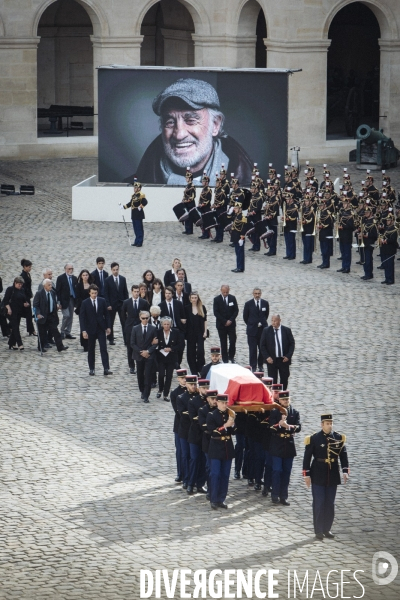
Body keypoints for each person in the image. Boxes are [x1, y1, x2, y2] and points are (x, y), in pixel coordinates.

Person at [127, 78, 253, 186]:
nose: (179, 134)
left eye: (191, 120)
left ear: (215, 125)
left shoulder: (254, 187)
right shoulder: (128, 189)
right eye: (170, 122)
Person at [303, 413, 349, 540]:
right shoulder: (314, 438)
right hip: (318, 473)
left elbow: (343, 455)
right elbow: (307, 458)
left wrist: (345, 470)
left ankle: (327, 529)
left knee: (330, 503)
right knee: (319, 502)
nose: (330, 426)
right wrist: (306, 475)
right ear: (321, 424)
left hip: (332, 474)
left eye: (331, 423)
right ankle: (318, 530)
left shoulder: (338, 437)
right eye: (327, 424)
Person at [269, 390, 301, 505]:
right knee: (277, 470)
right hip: (277, 444)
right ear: (279, 400)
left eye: (287, 399)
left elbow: (298, 427)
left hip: (289, 445)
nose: (285, 401)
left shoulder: (294, 412)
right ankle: (275, 494)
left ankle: (283, 496)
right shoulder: (274, 412)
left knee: (286, 472)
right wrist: (279, 424)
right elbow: (271, 427)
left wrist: (288, 426)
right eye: (283, 399)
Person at [206, 394, 236, 509]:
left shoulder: (229, 414)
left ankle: (221, 499)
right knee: (215, 474)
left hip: (227, 447)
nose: (224, 405)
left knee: (225, 475)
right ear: (217, 402)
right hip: (216, 447)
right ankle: (214, 499)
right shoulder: (211, 415)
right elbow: (212, 432)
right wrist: (225, 426)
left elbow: (234, 431)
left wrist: (232, 424)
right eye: (222, 403)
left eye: (226, 403)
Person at [79, 284, 112, 376]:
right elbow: (82, 318)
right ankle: (92, 369)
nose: (94, 295)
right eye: (92, 293)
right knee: (91, 349)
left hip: (101, 328)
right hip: (90, 329)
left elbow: (107, 315)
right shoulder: (85, 303)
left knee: (103, 349)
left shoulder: (102, 301)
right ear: (89, 293)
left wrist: (108, 327)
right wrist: (84, 330)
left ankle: (106, 368)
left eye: (96, 293)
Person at [33, 279, 69, 353]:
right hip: (42, 316)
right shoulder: (39, 294)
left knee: (55, 332)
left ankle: (60, 346)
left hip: (51, 315)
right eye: (49, 285)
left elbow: (53, 302)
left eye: (51, 284)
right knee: (42, 333)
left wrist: (56, 307)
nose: (51, 286)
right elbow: (36, 305)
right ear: (44, 286)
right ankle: (41, 347)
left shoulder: (52, 292)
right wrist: (38, 314)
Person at [260, 314, 295, 390]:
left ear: (279, 320)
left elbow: (292, 344)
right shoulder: (266, 331)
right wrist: (267, 357)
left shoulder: (286, 330)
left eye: (275, 321)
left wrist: (288, 356)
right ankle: (274, 396)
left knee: (284, 378)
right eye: (272, 321)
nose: (273, 322)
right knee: (273, 380)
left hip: (283, 360)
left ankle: (282, 394)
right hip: (272, 360)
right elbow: (262, 346)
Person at [187, 379, 209, 494]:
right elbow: (193, 418)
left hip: (205, 436)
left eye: (207, 388)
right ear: (199, 388)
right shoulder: (193, 401)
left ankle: (201, 484)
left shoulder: (211, 401)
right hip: (195, 435)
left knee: (204, 461)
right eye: (204, 388)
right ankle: (191, 483)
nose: (206, 390)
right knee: (195, 459)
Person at [130, 310, 158, 403]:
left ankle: (146, 395)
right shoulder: (135, 328)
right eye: (143, 318)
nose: (145, 320)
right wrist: (141, 352)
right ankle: (142, 390)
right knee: (140, 375)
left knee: (148, 375)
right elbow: (132, 343)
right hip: (139, 355)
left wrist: (148, 351)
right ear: (140, 318)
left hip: (149, 355)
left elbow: (155, 343)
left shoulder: (153, 328)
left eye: (147, 318)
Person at [177, 375, 199, 490]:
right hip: (185, 430)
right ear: (186, 385)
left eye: (195, 384)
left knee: (195, 457)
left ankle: (194, 480)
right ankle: (186, 479)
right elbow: (183, 414)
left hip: (195, 431)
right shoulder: (181, 397)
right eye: (191, 384)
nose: (194, 386)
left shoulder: (199, 397)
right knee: (185, 456)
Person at [122, 285, 150, 374]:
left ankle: (141, 363)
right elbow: (122, 315)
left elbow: (147, 314)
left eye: (138, 291)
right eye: (135, 291)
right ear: (132, 292)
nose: (136, 293)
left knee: (141, 345)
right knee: (130, 347)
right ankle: (131, 366)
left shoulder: (143, 302)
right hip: (129, 327)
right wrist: (126, 324)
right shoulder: (126, 302)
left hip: (140, 326)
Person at [198, 390, 218, 500]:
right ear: (208, 399)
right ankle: (210, 490)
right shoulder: (203, 410)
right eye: (213, 399)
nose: (215, 401)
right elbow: (203, 426)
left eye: (216, 399)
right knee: (210, 468)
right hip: (208, 441)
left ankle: (216, 490)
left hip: (219, 443)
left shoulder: (220, 410)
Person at [243, 288, 269, 371]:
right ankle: (253, 366)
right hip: (252, 330)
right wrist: (251, 323)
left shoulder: (265, 303)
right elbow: (245, 317)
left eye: (258, 293)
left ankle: (260, 365)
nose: (257, 295)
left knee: (262, 349)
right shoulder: (248, 304)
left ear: (261, 294)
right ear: (253, 294)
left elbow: (266, 314)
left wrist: (262, 322)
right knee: (253, 350)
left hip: (262, 330)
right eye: (255, 293)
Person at [156, 316, 181, 401]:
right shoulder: (158, 332)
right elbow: (155, 343)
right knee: (161, 374)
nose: (166, 326)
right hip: (161, 357)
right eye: (165, 324)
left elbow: (180, 345)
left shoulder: (176, 332)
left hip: (171, 357)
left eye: (168, 324)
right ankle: (160, 389)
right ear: (162, 324)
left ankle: (166, 394)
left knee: (169, 376)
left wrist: (171, 349)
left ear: (171, 324)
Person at [104, 262, 129, 345]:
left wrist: (127, 303)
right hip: (112, 304)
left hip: (121, 304)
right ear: (111, 270)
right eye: (114, 270)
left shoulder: (122, 279)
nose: (115, 271)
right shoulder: (107, 280)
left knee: (124, 322)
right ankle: (110, 339)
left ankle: (126, 340)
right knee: (110, 322)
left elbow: (125, 292)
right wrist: (108, 304)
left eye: (117, 269)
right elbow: (106, 293)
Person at [213, 284, 238, 363]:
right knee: (223, 342)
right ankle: (225, 358)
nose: (225, 294)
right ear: (221, 291)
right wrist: (224, 321)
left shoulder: (232, 298)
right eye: (224, 292)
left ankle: (231, 356)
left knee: (233, 340)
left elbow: (236, 310)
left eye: (226, 292)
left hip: (231, 324)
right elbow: (216, 312)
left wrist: (230, 320)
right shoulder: (217, 299)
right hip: (221, 325)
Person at [3, 276, 30, 350]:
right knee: (16, 327)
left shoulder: (22, 290)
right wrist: (8, 309)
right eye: (19, 284)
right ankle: (20, 344)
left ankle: (11, 343)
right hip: (11, 311)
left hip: (19, 311)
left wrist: (25, 304)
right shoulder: (10, 289)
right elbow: (6, 301)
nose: (20, 285)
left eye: (21, 284)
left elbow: (23, 300)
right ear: (15, 283)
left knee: (15, 327)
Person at [170, 369, 188, 483]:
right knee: (180, 450)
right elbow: (177, 411)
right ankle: (180, 473)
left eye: (185, 378)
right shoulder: (175, 393)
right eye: (182, 378)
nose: (184, 380)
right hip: (179, 424)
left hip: (191, 425)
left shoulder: (193, 391)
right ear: (178, 379)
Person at [185, 291, 207, 376]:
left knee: (201, 351)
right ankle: (193, 370)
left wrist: (205, 331)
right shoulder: (186, 308)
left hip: (200, 332)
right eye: (192, 298)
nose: (194, 299)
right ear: (190, 299)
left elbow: (205, 320)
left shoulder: (202, 307)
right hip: (190, 333)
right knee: (191, 352)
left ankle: (200, 367)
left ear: (198, 298)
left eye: (195, 298)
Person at [122, 180, 148, 247]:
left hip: (138, 213)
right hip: (134, 213)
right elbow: (131, 203)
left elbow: (145, 202)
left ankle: (140, 242)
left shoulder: (141, 195)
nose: (134, 189)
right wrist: (124, 206)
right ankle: (136, 241)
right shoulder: (133, 195)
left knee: (139, 228)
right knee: (135, 228)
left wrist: (141, 206)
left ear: (139, 188)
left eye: (136, 188)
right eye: (134, 188)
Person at [56, 263, 78, 340]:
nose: (70, 270)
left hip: (72, 299)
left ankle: (68, 332)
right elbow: (58, 291)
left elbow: (76, 289)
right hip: (64, 300)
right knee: (66, 315)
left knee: (71, 316)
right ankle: (62, 331)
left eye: (72, 269)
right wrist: (58, 302)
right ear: (65, 269)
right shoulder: (60, 278)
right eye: (69, 269)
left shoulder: (74, 278)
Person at [74, 269, 94, 352]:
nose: (85, 277)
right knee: (83, 325)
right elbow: (78, 297)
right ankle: (84, 344)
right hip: (82, 307)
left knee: (91, 325)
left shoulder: (92, 285)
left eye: (86, 275)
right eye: (83, 275)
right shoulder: (78, 286)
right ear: (81, 276)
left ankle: (91, 343)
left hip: (91, 308)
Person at [359, 206, 378, 281]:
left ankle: (369, 274)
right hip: (363, 242)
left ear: (371, 213)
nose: (366, 214)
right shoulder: (364, 220)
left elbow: (375, 235)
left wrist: (366, 235)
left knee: (368, 259)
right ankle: (366, 273)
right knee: (364, 259)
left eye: (367, 213)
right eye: (365, 212)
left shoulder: (373, 222)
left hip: (369, 243)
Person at [336, 198, 354, 274]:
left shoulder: (351, 213)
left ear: (348, 204)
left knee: (347, 252)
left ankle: (347, 267)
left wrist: (343, 227)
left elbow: (352, 226)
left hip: (347, 235)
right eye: (343, 204)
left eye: (345, 204)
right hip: (342, 235)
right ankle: (343, 266)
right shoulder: (342, 212)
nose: (344, 205)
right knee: (343, 252)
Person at [230, 201, 249, 273]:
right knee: (237, 252)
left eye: (236, 208)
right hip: (235, 236)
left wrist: (242, 238)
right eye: (234, 208)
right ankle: (238, 266)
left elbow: (244, 228)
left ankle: (240, 268)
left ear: (240, 209)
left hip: (239, 237)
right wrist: (231, 212)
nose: (234, 209)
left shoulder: (243, 217)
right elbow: (229, 218)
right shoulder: (236, 216)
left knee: (240, 253)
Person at [380, 213, 398, 284]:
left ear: (392, 221)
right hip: (385, 249)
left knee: (390, 265)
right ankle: (387, 278)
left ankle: (391, 279)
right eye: (387, 220)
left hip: (390, 249)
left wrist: (386, 240)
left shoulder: (394, 229)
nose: (387, 221)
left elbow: (393, 239)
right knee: (386, 264)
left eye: (389, 220)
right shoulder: (386, 228)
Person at [20, 259, 36, 336]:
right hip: (25, 297)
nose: (30, 268)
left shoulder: (27, 274)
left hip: (27, 296)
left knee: (27, 314)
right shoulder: (22, 275)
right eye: (29, 267)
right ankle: (31, 330)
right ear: (24, 267)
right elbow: (24, 287)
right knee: (27, 314)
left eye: (30, 267)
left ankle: (31, 330)